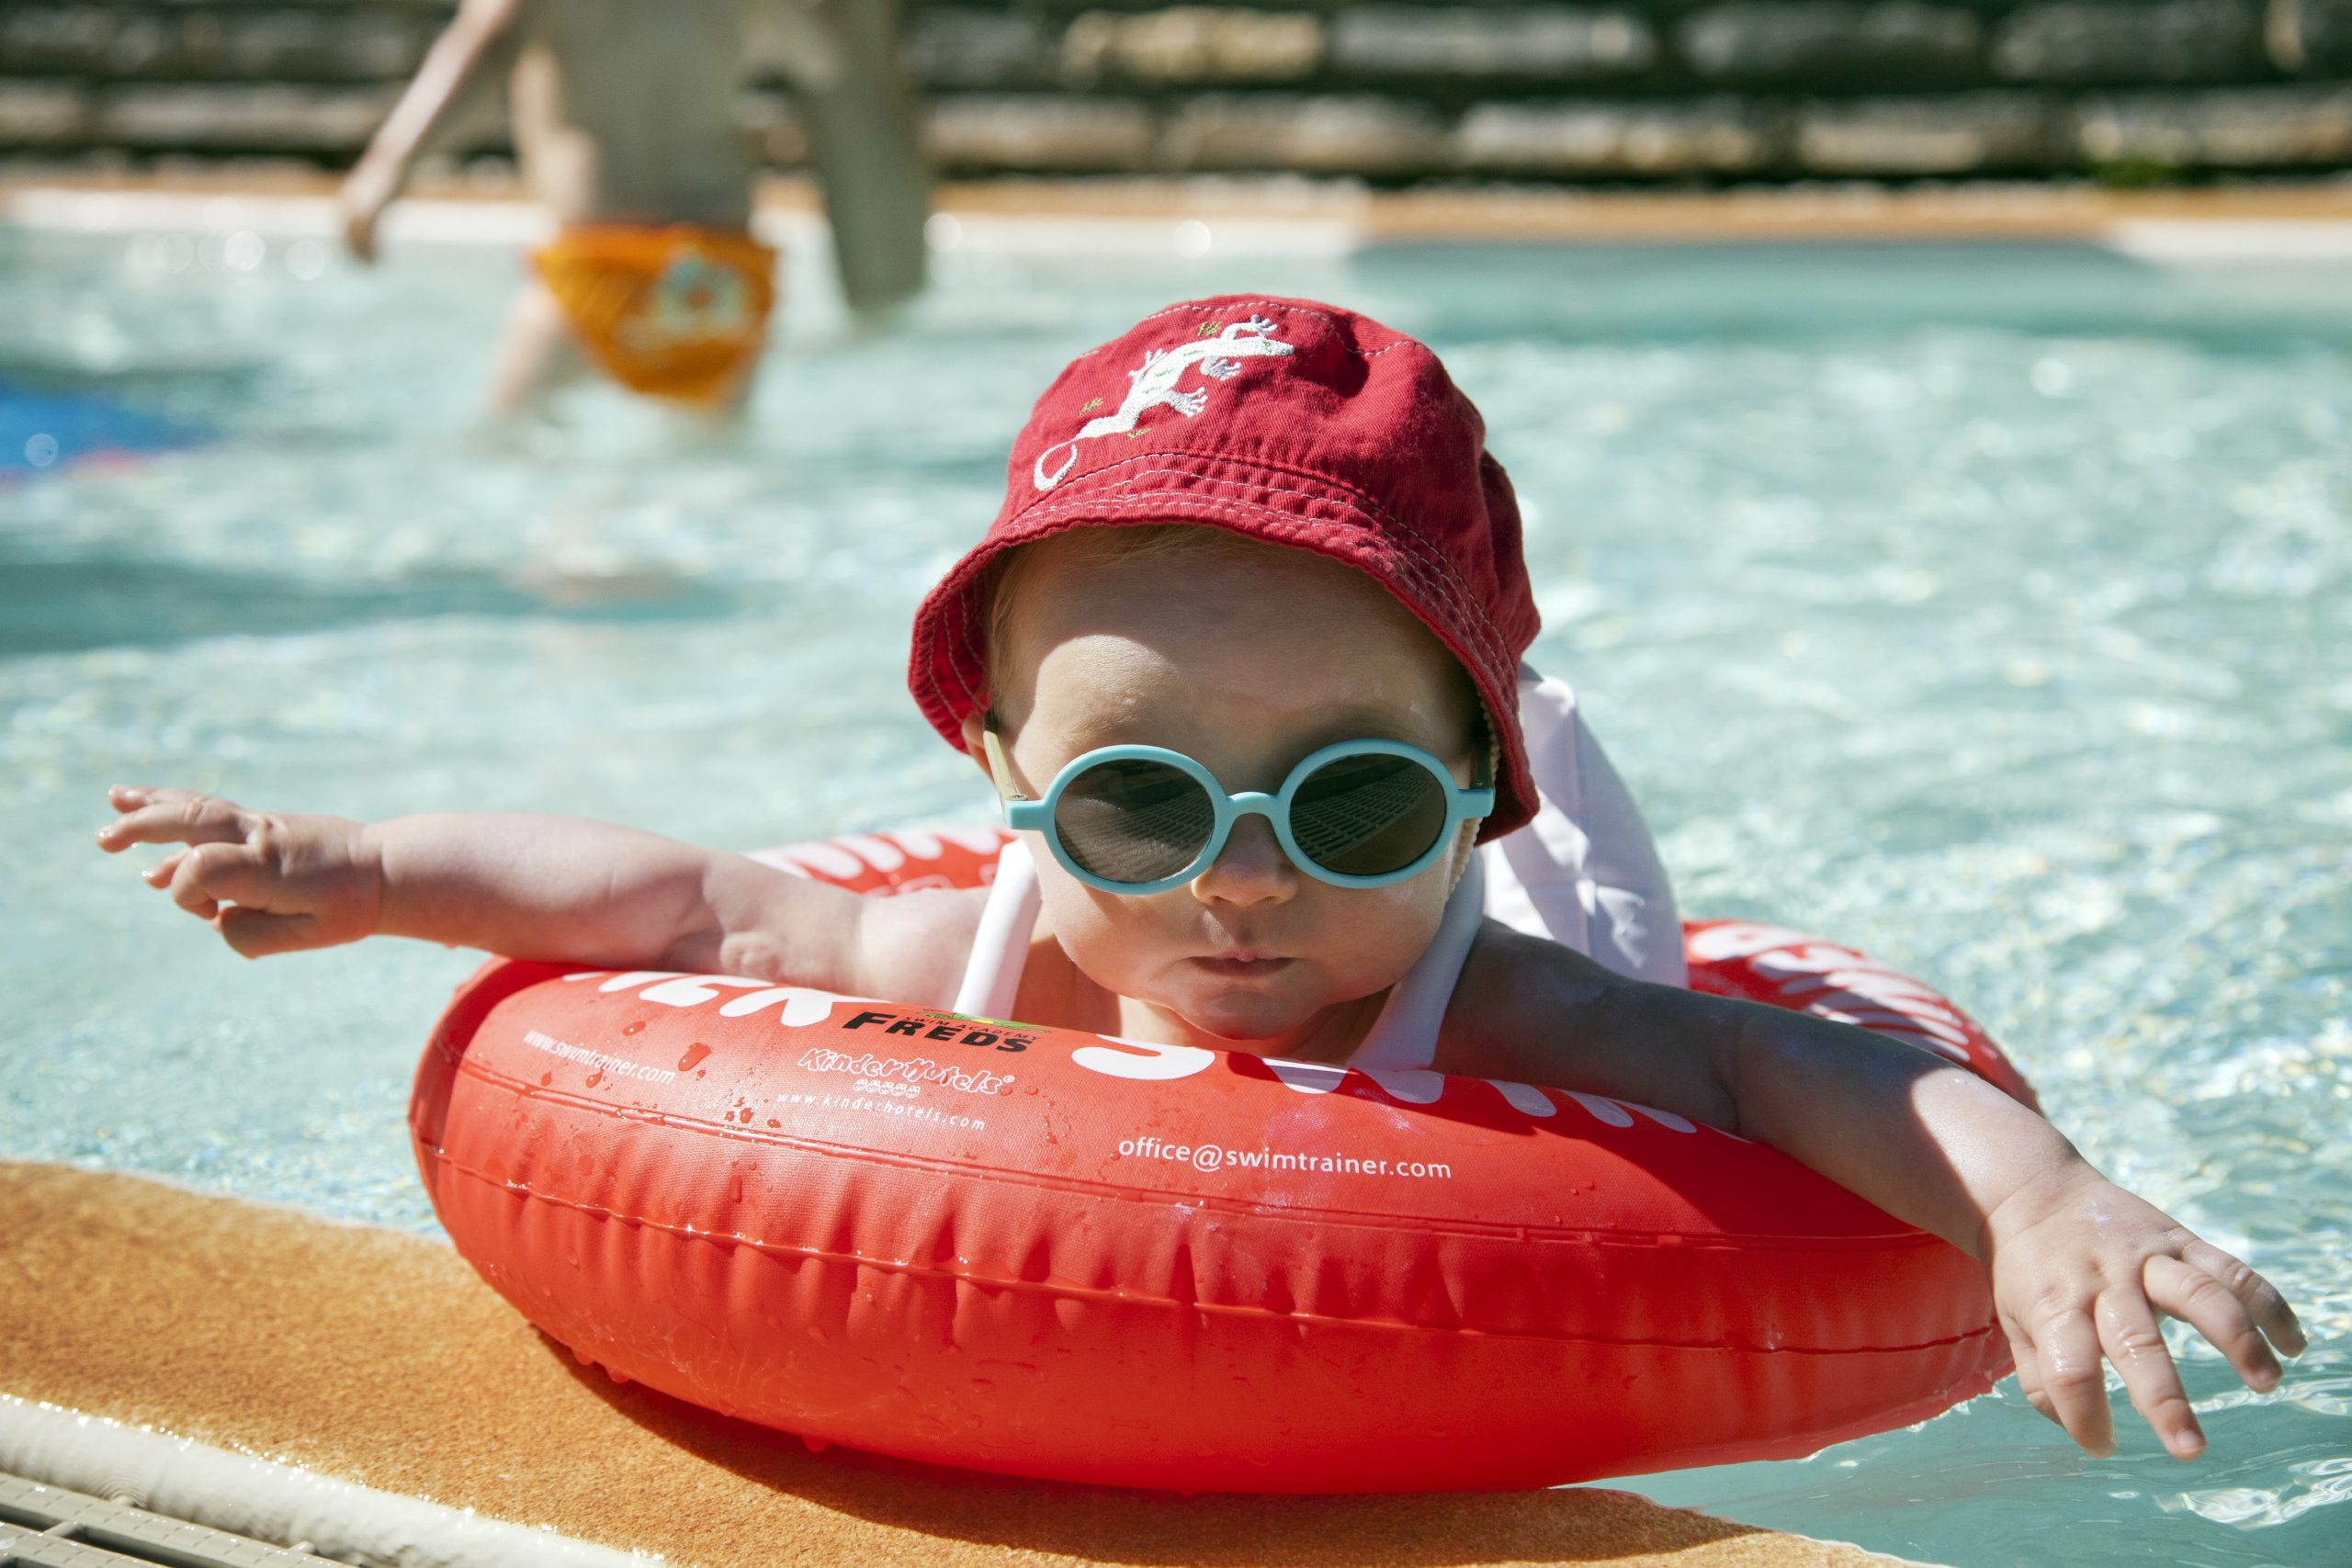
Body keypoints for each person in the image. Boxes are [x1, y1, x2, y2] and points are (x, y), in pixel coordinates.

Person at [97, 295, 2302, 1466]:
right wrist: (368, 859)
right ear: (1000, 769)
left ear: (1474, 786)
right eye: (1138, 802)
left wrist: (2042, 1203)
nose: (1238, 884)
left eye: (1345, 803)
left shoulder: (1509, 1013)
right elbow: (682, 903)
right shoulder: (982, 947)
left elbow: (1768, 1056)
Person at [336, 0, 925, 416]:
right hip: (719, 272)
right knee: (710, 464)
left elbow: (483, 50)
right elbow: (822, 60)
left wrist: (387, 167)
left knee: (504, 446)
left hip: (601, 257)